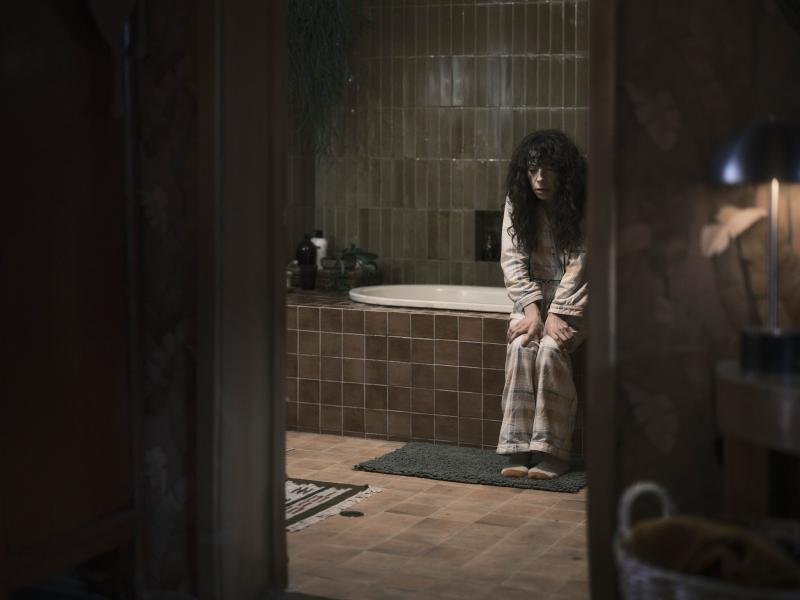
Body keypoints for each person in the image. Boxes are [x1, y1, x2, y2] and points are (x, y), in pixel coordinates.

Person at [497, 129, 587, 480]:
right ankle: (518, 447)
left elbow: (583, 262)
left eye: (549, 170)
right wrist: (533, 312)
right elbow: (512, 258)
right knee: (521, 346)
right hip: (531, 302)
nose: (540, 179)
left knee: (551, 349)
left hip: (576, 301)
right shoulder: (518, 201)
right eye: (533, 170)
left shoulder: (583, 203)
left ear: (564, 173)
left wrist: (557, 313)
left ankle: (553, 452)